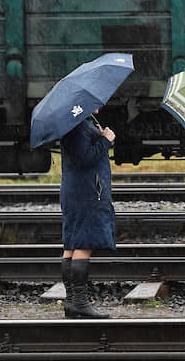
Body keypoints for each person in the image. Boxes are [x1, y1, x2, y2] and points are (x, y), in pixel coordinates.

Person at [59, 110, 116, 319]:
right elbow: (85, 158)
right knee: (83, 244)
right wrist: (106, 140)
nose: (100, 107)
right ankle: (80, 303)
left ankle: (71, 301)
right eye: (96, 103)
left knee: (72, 245)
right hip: (87, 191)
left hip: (75, 190)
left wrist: (99, 136)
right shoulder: (79, 126)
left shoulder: (72, 123)